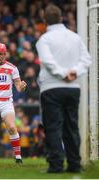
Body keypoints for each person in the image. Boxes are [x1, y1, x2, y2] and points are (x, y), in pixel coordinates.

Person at [36, 4, 92, 173]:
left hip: (52, 87)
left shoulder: (44, 40)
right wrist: (74, 73)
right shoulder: (75, 37)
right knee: (71, 127)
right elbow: (87, 60)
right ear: (61, 18)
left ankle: (56, 165)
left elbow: (47, 61)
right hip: (73, 87)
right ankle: (75, 164)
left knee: (53, 127)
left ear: (44, 20)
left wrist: (62, 74)